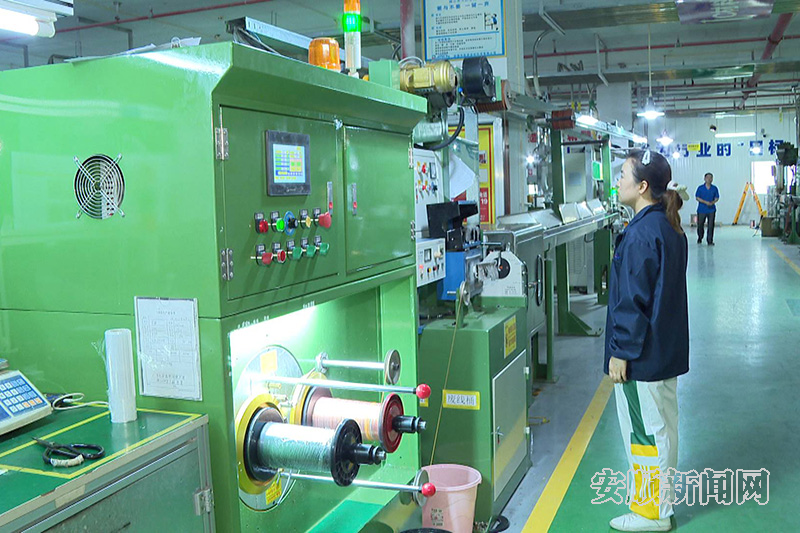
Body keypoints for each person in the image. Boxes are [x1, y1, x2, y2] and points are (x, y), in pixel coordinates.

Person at [605, 149, 689, 532]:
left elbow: (632, 301)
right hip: (663, 351)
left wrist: (621, 352)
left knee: (644, 435)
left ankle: (652, 514)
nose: (618, 180)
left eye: (623, 174)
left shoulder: (640, 234)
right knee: (662, 430)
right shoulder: (668, 226)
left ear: (641, 186)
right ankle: (659, 505)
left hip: (642, 356)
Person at [695, 172, 719, 245]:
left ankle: (710, 240)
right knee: (700, 225)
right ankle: (700, 237)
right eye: (707, 178)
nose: (709, 179)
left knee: (711, 226)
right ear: (704, 179)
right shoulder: (700, 188)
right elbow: (697, 197)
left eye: (711, 178)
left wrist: (713, 202)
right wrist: (705, 202)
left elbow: (717, 197)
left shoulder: (714, 188)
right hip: (701, 210)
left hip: (711, 210)